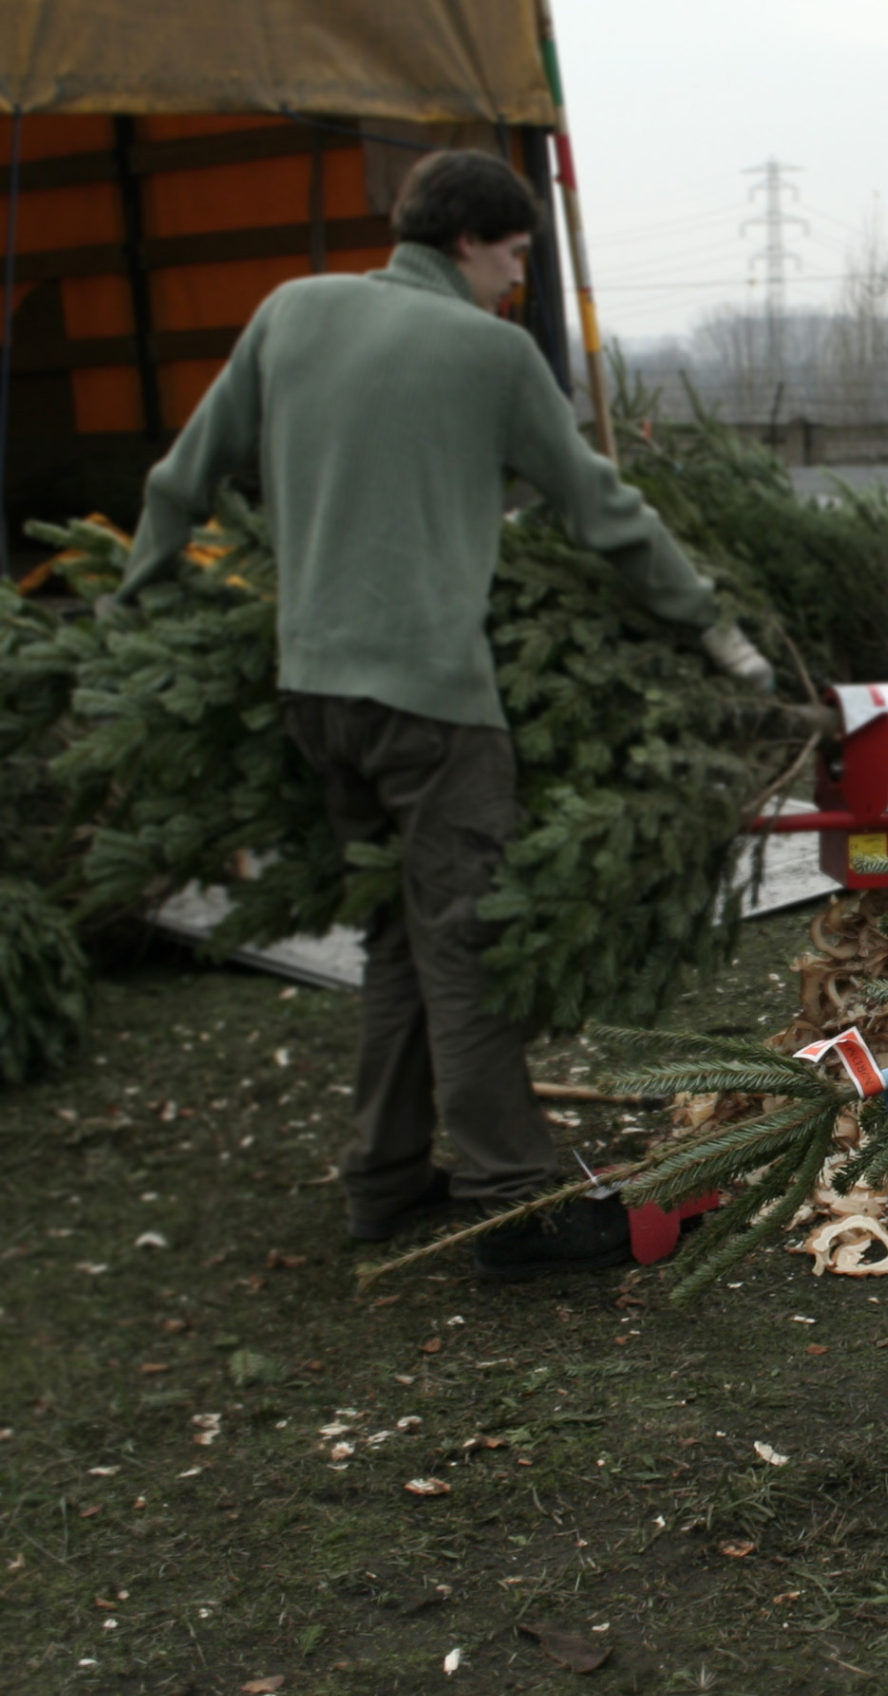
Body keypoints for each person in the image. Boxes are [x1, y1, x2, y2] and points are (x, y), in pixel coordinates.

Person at [101, 151, 776, 1279]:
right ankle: (515, 1200)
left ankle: (385, 1177)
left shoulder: (292, 312)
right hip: (436, 709)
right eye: (515, 256)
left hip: (316, 697)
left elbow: (186, 472)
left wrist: (134, 598)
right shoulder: (490, 352)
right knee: (467, 946)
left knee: (400, 940)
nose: (517, 281)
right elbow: (600, 506)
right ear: (471, 240)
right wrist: (715, 628)